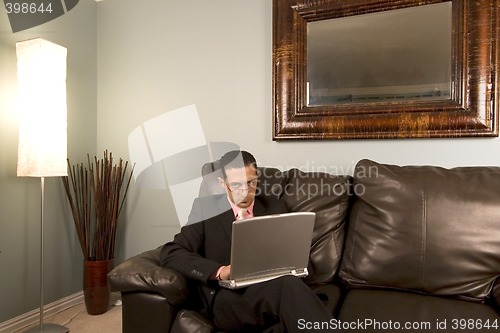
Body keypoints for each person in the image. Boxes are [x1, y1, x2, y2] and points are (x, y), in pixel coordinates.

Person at [160, 150, 335, 332]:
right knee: (290, 290)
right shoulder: (206, 209)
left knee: (288, 300)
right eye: (236, 185)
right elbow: (171, 252)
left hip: (271, 290)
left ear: (257, 178)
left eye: (250, 183)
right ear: (222, 184)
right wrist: (220, 271)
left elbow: (300, 260)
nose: (244, 193)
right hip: (228, 297)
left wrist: (292, 263)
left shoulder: (274, 206)